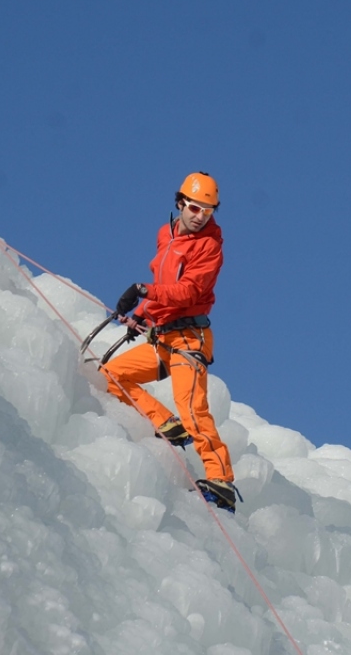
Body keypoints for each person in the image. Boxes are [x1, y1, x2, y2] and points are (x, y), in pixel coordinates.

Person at [101, 172, 239, 512]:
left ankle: (221, 481)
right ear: (180, 204)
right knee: (113, 374)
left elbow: (188, 291)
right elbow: (164, 282)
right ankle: (166, 425)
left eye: (207, 211)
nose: (199, 216)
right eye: (194, 208)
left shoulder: (210, 248)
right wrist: (145, 314)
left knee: (193, 408)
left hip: (189, 339)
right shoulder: (167, 235)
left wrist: (144, 293)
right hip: (164, 336)